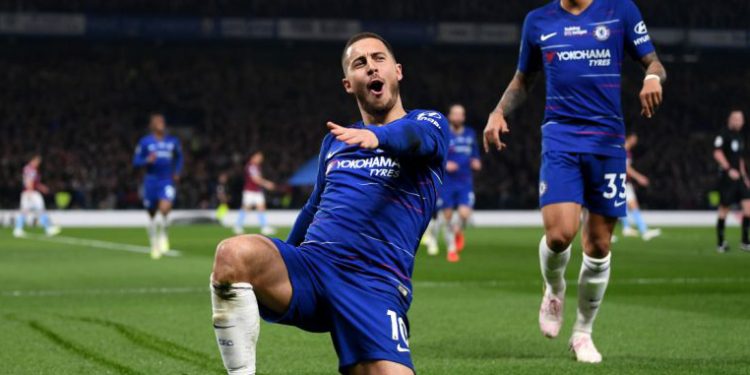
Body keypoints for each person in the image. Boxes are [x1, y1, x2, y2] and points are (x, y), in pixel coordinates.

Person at [209, 32, 448, 375]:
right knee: (233, 254)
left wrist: (377, 136)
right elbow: (312, 209)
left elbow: (418, 139)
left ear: (397, 71)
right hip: (313, 268)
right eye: (359, 63)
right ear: (349, 84)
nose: (370, 67)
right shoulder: (335, 143)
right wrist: (284, 258)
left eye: (378, 59)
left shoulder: (429, 124)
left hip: (373, 283)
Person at [483, 0, 666, 363]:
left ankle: (583, 333)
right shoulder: (538, 21)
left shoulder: (621, 11)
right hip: (561, 137)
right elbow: (524, 79)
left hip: (607, 141)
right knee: (559, 235)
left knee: (598, 245)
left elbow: (654, 61)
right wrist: (499, 111)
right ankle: (553, 288)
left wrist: (651, 77)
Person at [132, 113, 183, 259]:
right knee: (152, 215)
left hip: (166, 180)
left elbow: (180, 157)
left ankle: (164, 235)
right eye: (158, 121)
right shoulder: (145, 142)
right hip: (151, 181)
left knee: (165, 208)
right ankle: (154, 244)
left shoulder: (172, 141)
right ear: (152, 125)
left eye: (162, 121)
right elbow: (136, 161)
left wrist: (177, 171)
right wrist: (147, 160)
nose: (161, 123)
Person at [438, 103, 481, 262]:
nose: (457, 117)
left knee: (464, 214)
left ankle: (457, 232)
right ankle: (451, 249)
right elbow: (435, 155)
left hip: (465, 181)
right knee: (447, 216)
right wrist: (445, 164)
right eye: (455, 114)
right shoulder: (443, 134)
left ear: (463, 117)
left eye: (460, 114)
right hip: (447, 182)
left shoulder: (470, 134)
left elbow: (475, 153)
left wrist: (476, 161)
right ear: (449, 116)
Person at [714, 109, 749, 253]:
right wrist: (729, 169)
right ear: (730, 120)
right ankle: (721, 243)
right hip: (727, 179)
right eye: (736, 119)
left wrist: (745, 177)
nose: (739, 121)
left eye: (741, 119)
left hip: (739, 179)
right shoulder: (723, 135)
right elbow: (717, 152)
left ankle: (745, 242)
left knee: (748, 208)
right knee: (724, 209)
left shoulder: (740, 137)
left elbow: (739, 159)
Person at [620, 133, 661, 240]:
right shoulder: (625, 152)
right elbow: (627, 169)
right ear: (628, 138)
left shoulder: (622, 150)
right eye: (634, 139)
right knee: (633, 205)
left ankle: (627, 227)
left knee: (624, 206)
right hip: (624, 182)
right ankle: (643, 231)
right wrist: (639, 178)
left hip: (620, 181)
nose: (635, 142)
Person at [13, 154, 61, 237]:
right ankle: (48, 228)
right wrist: (30, 192)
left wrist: (42, 188)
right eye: (37, 160)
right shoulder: (31, 169)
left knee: (24, 211)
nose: (38, 162)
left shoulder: (27, 168)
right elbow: (29, 181)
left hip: (27, 192)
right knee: (41, 209)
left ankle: (18, 229)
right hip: (31, 192)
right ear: (33, 160)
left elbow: (34, 182)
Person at [234, 151, 276, 235]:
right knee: (246, 208)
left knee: (261, 207)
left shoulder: (256, 166)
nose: (260, 159)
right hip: (250, 191)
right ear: (253, 157)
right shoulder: (251, 166)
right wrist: (267, 184)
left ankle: (264, 227)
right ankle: (238, 225)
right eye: (259, 157)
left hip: (257, 190)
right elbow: (255, 179)